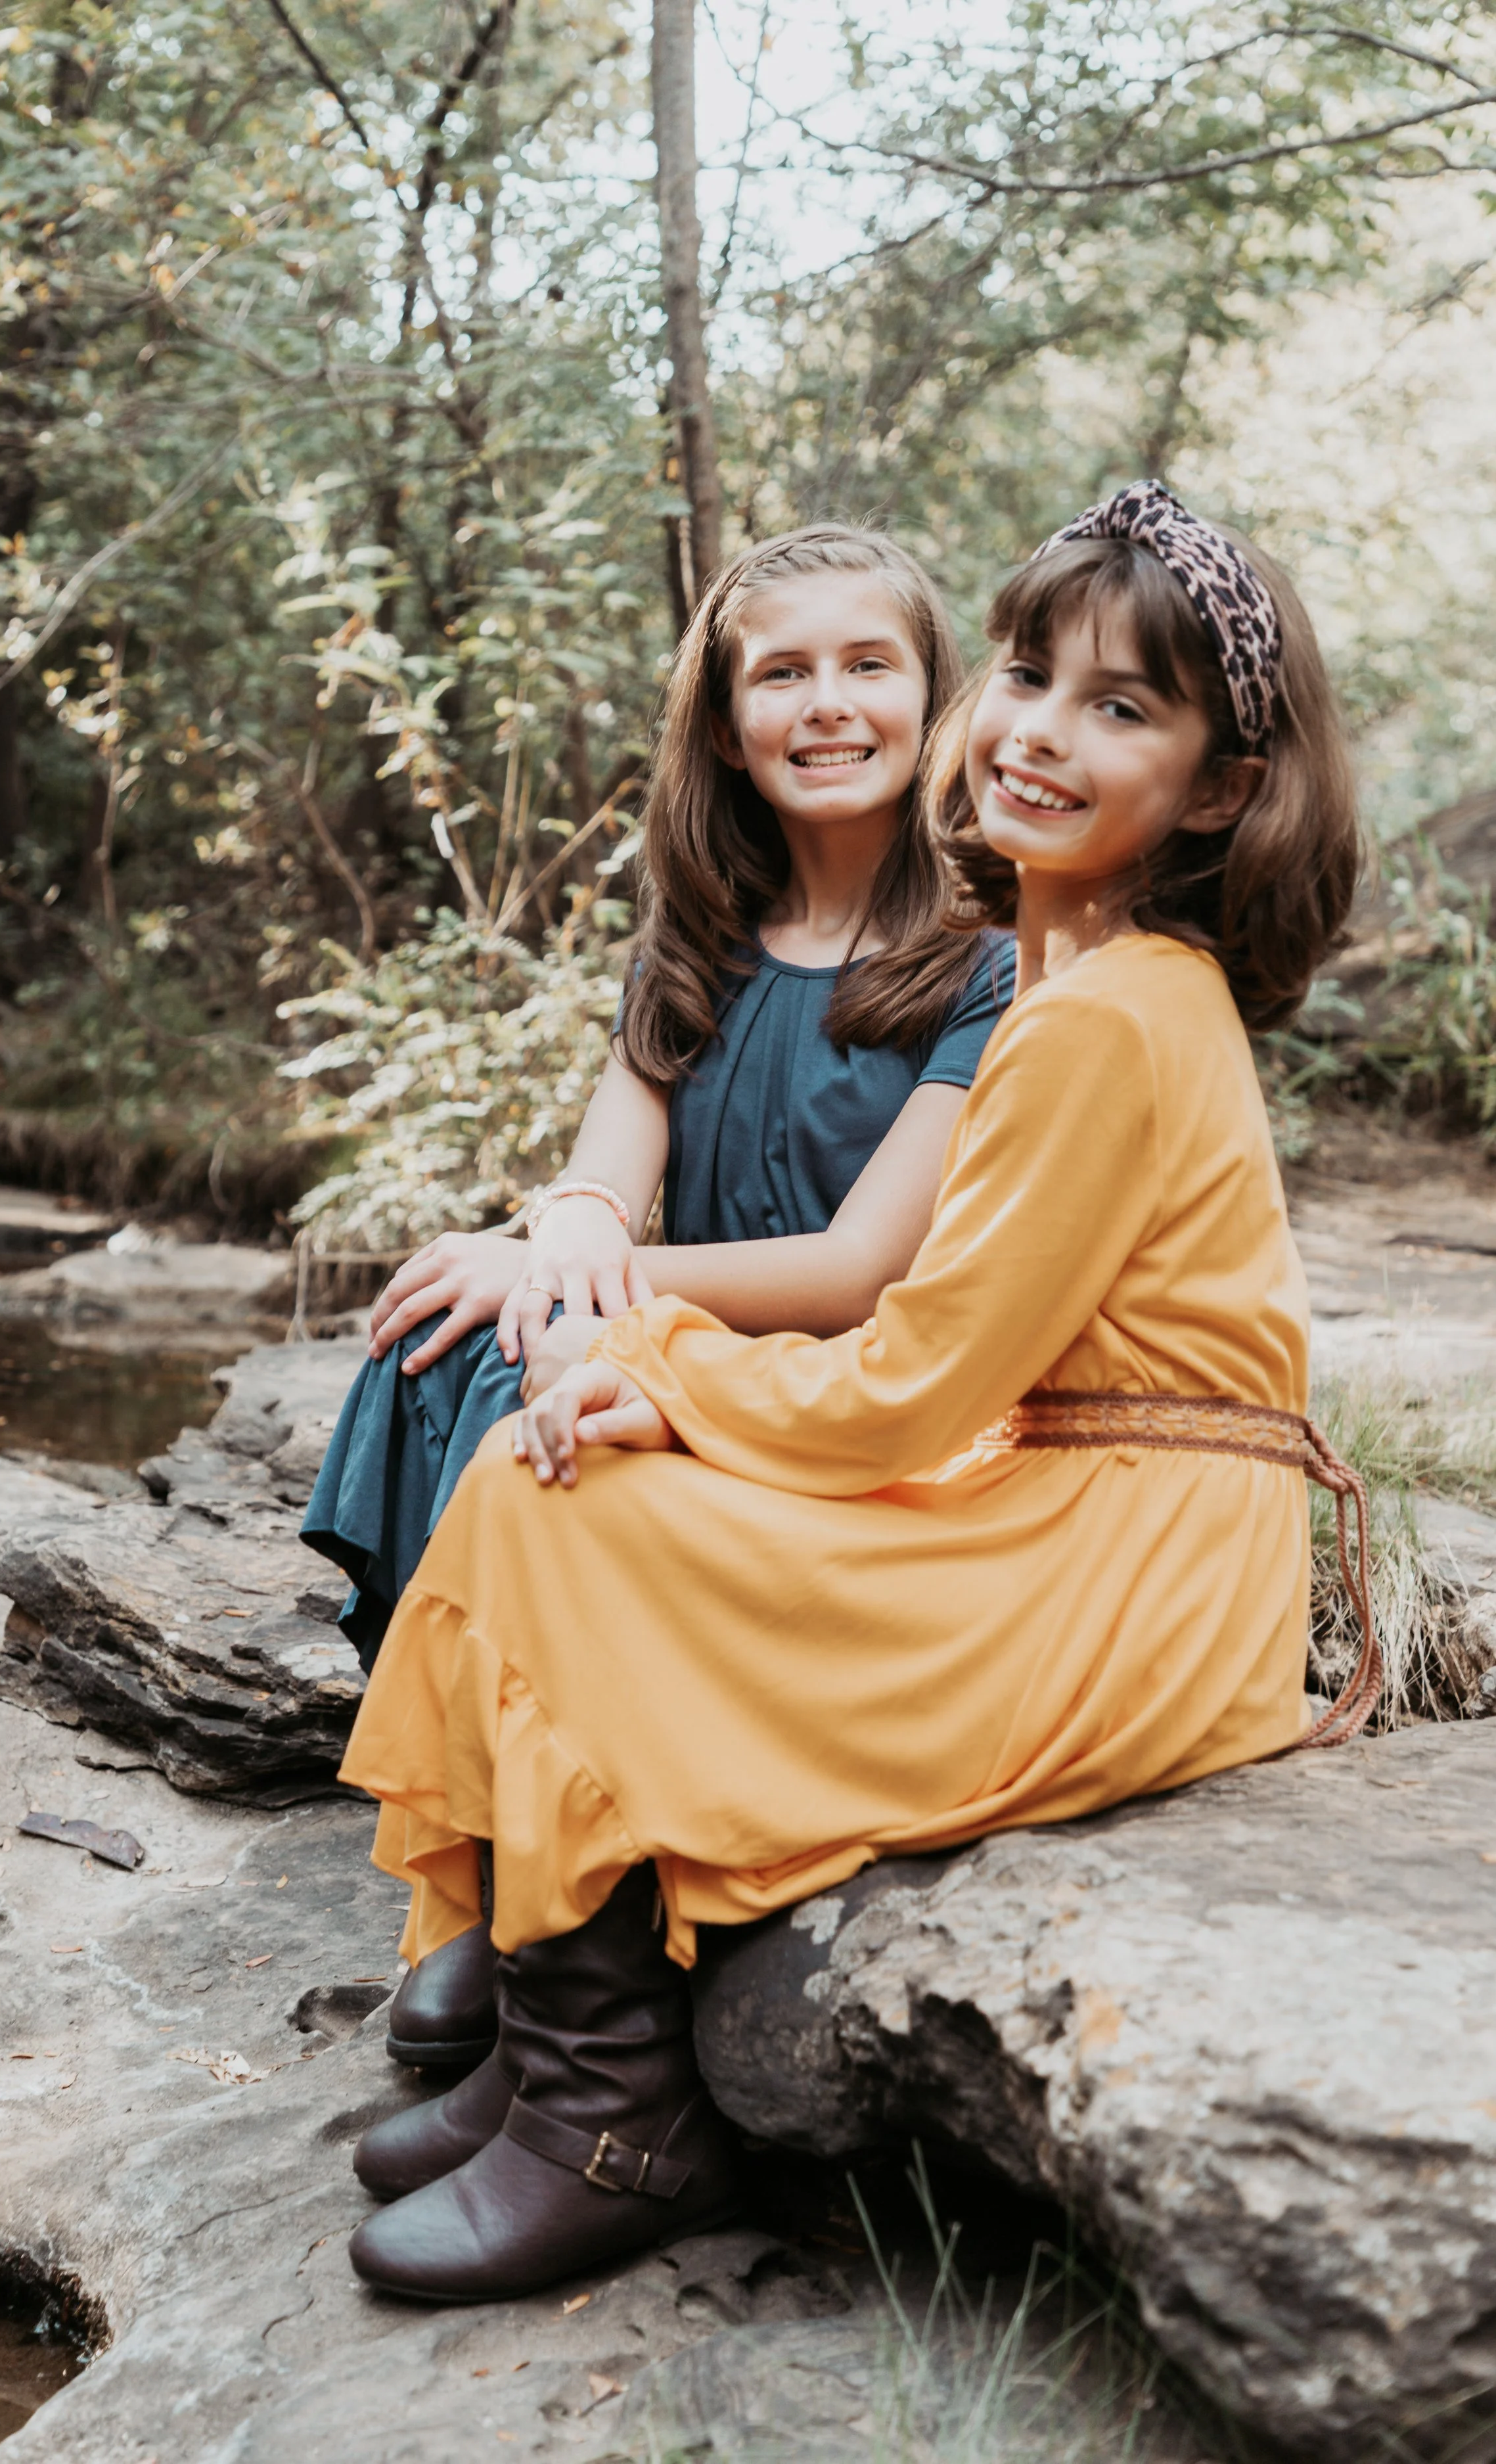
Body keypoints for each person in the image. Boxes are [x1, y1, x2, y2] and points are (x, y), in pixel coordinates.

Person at [335, 480, 1371, 2304]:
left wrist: (662, 1370)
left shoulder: (1102, 1012)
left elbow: (902, 1380)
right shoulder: (1089, 978)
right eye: (1034, 675)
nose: (1041, 733)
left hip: (1135, 1575)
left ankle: (614, 2105)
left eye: (1121, 707)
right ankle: (555, 2031)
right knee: (537, 1457)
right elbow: (954, 1358)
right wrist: (645, 1352)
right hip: (1090, 1500)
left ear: (1216, 785)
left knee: (561, 1493)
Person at [300, 526, 1015, 2067]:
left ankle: (565, 1914)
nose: (826, 705)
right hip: (688, 1337)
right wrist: (553, 1244)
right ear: (726, 724)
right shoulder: (695, 938)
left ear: (929, 695)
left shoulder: (988, 961)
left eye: (864, 665)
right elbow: (597, 1183)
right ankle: (495, 1871)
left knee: (549, 1347)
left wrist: (592, 1278)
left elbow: (860, 1272)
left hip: (850, 1389)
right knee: (449, 1350)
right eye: (781, 673)